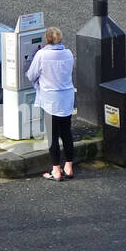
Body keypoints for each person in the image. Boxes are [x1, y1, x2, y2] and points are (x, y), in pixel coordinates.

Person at [27, 27, 76, 182]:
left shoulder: (42, 55)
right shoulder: (68, 53)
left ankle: (56, 170)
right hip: (67, 98)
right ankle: (69, 166)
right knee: (66, 133)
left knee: (53, 136)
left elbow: (31, 74)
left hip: (50, 100)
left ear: (46, 40)